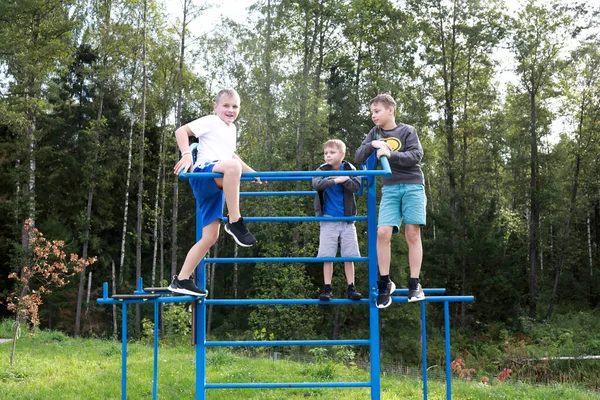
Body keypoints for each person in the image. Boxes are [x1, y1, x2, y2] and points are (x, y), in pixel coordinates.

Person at [168, 88, 259, 296]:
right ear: (215, 106)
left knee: (209, 237)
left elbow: (231, 156)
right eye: (226, 106)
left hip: (216, 182)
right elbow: (181, 131)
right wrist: (186, 154)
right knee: (232, 168)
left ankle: (181, 280)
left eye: (235, 106)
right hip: (204, 174)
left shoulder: (232, 129)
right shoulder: (211, 121)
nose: (230, 110)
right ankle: (235, 221)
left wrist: (251, 171)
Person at [354, 94, 426, 308]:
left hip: (412, 184)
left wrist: (390, 154)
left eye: (377, 111)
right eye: (371, 112)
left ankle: (415, 283)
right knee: (382, 232)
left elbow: (416, 155)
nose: (373, 115)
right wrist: (373, 144)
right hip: (391, 188)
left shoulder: (407, 131)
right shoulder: (374, 133)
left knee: (412, 233)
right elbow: (358, 156)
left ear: (391, 110)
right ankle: (385, 283)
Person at [312, 139, 363, 301]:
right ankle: (327, 288)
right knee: (328, 255)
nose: (328, 156)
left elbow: (356, 186)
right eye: (326, 153)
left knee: (349, 255)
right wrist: (336, 180)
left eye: (332, 153)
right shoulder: (321, 169)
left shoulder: (349, 168)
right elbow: (317, 184)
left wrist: (345, 178)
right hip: (328, 218)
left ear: (342, 154)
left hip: (348, 219)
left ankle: (351, 287)